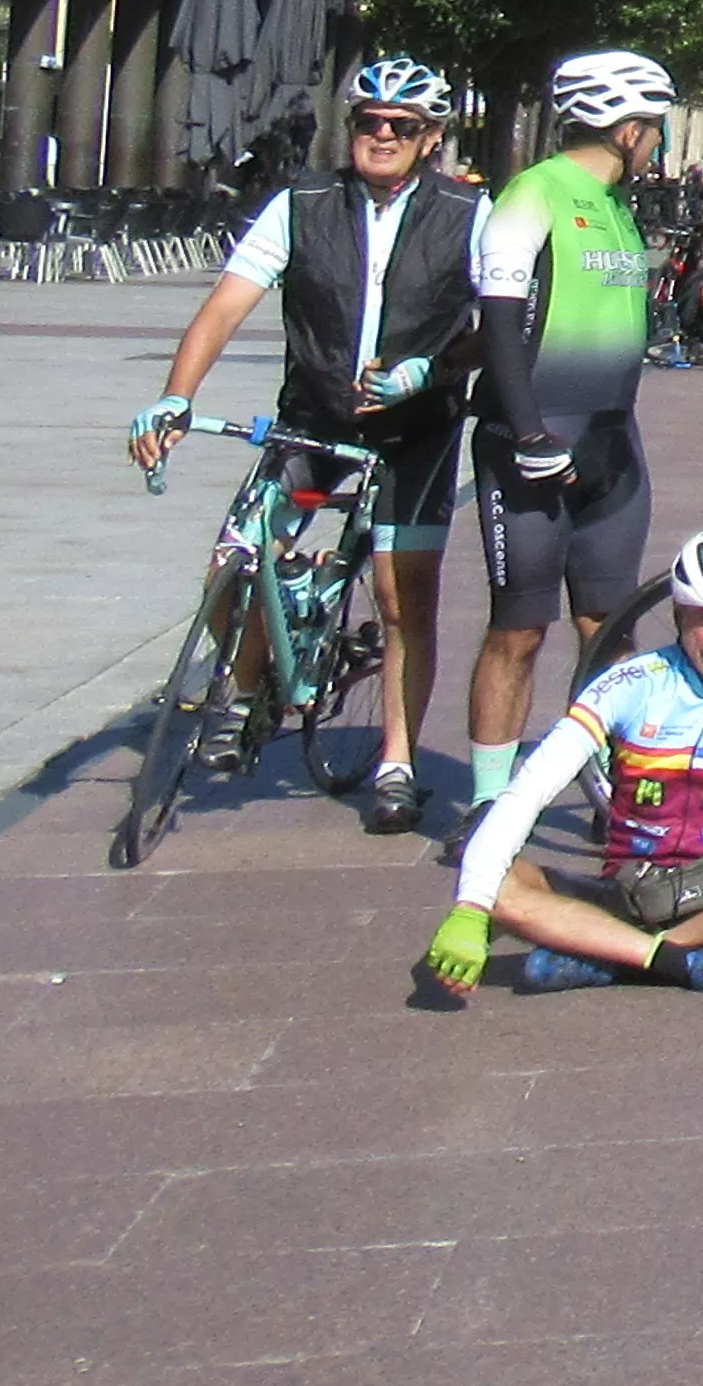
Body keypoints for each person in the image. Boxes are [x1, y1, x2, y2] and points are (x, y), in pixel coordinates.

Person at [133, 50, 478, 835]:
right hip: (315, 416)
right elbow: (226, 305)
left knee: (402, 593)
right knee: (234, 559)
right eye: (368, 122)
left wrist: (429, 371)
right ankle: (248, 689)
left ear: (431, 139)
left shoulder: (466, 214)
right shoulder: (304, 202)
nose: (382, 135)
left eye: (403, 126)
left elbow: (497, 326)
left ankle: (395, 762)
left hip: (411, 429)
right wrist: (174, 398)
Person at [419, 525, 703, 997]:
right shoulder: (631, 681)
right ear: (678, 612)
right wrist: (470, 905)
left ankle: (603, 956)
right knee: (491, 877)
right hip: (624, 891)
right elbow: (529, 790)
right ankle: (680, 962)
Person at [459, 49, 683, 837]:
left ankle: (615, 790)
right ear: (628, 129)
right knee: (518, 628)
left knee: (610, 628)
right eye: (654, 129)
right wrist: (524, 431)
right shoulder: (537, 190)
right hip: (535, 439)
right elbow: (496, 315)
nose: (657, 144)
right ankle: (491, 800)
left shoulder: (619, 206)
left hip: (612, 444)